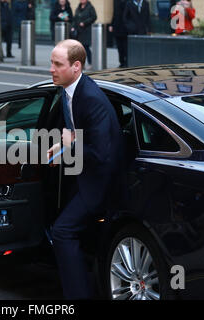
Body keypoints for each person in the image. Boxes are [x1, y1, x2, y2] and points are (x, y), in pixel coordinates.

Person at [48, 39, 122, 299]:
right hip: (81, 174)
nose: (51, 69)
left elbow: (101, 155)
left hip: (99, 183)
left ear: (76, 66)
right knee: (51, 220)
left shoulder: (91, 98)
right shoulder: (68, 90)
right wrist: (61, 146)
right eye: (51, 63)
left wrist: (72, 143)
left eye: (58, 64)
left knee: (62, 231)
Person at [71, 0, 97, 69]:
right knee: (80, 49)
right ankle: (82, 64)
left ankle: (91, 63)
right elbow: (75, 19)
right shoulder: (78, 7)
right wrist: (73, 27)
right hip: (79, 31)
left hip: (86, 31)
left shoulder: (90, 7)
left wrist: (85, 23)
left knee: (86, 48)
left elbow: (94, 17)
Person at [109, 0, 128, 68]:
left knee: (125, 47)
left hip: (126, 27)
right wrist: (111, 24)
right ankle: (121, 62)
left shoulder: (127, 1)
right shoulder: (116, 1)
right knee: (119, 47)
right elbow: (114, 13)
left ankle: (126, 62)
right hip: (117, 27)